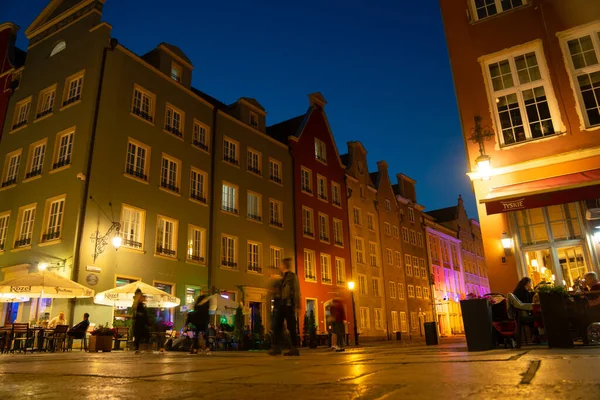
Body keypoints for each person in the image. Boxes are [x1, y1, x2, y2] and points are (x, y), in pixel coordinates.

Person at [269, 257, 301, 356]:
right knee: (276, 326)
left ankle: (294, 348)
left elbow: (296, 291)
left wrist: (298, 305)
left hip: (288, 303)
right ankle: (277, 348)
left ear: (284, 265)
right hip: (280, 304)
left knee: (291, 326)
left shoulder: (292, 276)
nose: (280, 266)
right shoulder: (280, 277)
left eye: (281, 264)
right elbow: (277, 291)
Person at [133, 289, 150, 354]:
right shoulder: (138, 305)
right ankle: (140, 348)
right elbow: (141, 315)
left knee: (141, 336)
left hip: (140, 323)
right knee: (144, 335)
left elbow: (142, 314)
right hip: (140, 324)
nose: (144, 299)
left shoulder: (139, 305)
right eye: (143, 297)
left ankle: (138, 349)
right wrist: (147, 322)